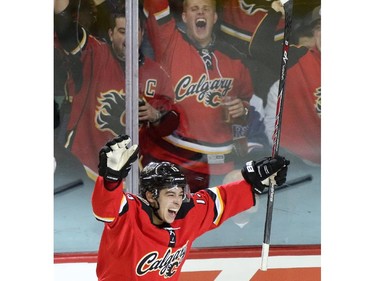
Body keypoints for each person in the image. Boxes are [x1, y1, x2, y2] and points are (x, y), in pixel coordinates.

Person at [92, 134, 289, 280]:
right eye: (170, 194)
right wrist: (110, 180)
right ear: (151, 196)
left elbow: (223, 199)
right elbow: (105, 209)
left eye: (180, 194)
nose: (178, 201)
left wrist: (256, 181)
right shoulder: (130, 214)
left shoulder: (189, 213)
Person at [54, 0, 178, 180]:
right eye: (122, 31)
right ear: (111, 34)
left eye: (134, 31)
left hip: (129, 178)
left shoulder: (157, 74)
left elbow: (172, 124)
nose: (128, 37)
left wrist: (156, 115)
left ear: (142, 34)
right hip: (84, 169)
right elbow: (66, 29)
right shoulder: (95, 54)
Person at [142, 0, 258, 191]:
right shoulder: (169, 43)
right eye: (194, 9)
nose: (200, 13)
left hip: (221, 166)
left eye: (206, 9)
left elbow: (247, 101)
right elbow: (156, 4)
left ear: (214, 18)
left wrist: (241, 108)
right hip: (176, 162)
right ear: (185, 17)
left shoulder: (234, 57)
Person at [255, 3, 321, 165]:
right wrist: (275, 12)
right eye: (319, 27)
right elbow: (258, 48)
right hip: (306, 164)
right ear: (314, 34)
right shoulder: (299, 58)